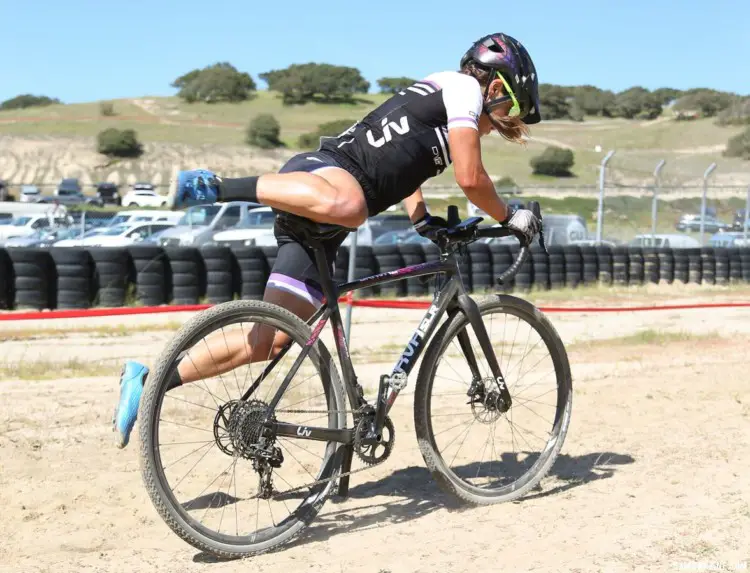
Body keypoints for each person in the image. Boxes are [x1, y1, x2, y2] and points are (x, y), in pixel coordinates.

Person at [112, 32, 543, 448]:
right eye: (507, 107)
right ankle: (214, 186)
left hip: (324, 220)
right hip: (324, 176)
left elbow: (406, 167)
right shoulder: (464, 88)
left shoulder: (442, 103)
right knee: (352, 206)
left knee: (270, 340)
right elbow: (472, 179)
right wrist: (511, 216)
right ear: (494, 83)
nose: (498, 123)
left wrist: (421, 220)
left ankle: (149, 383)